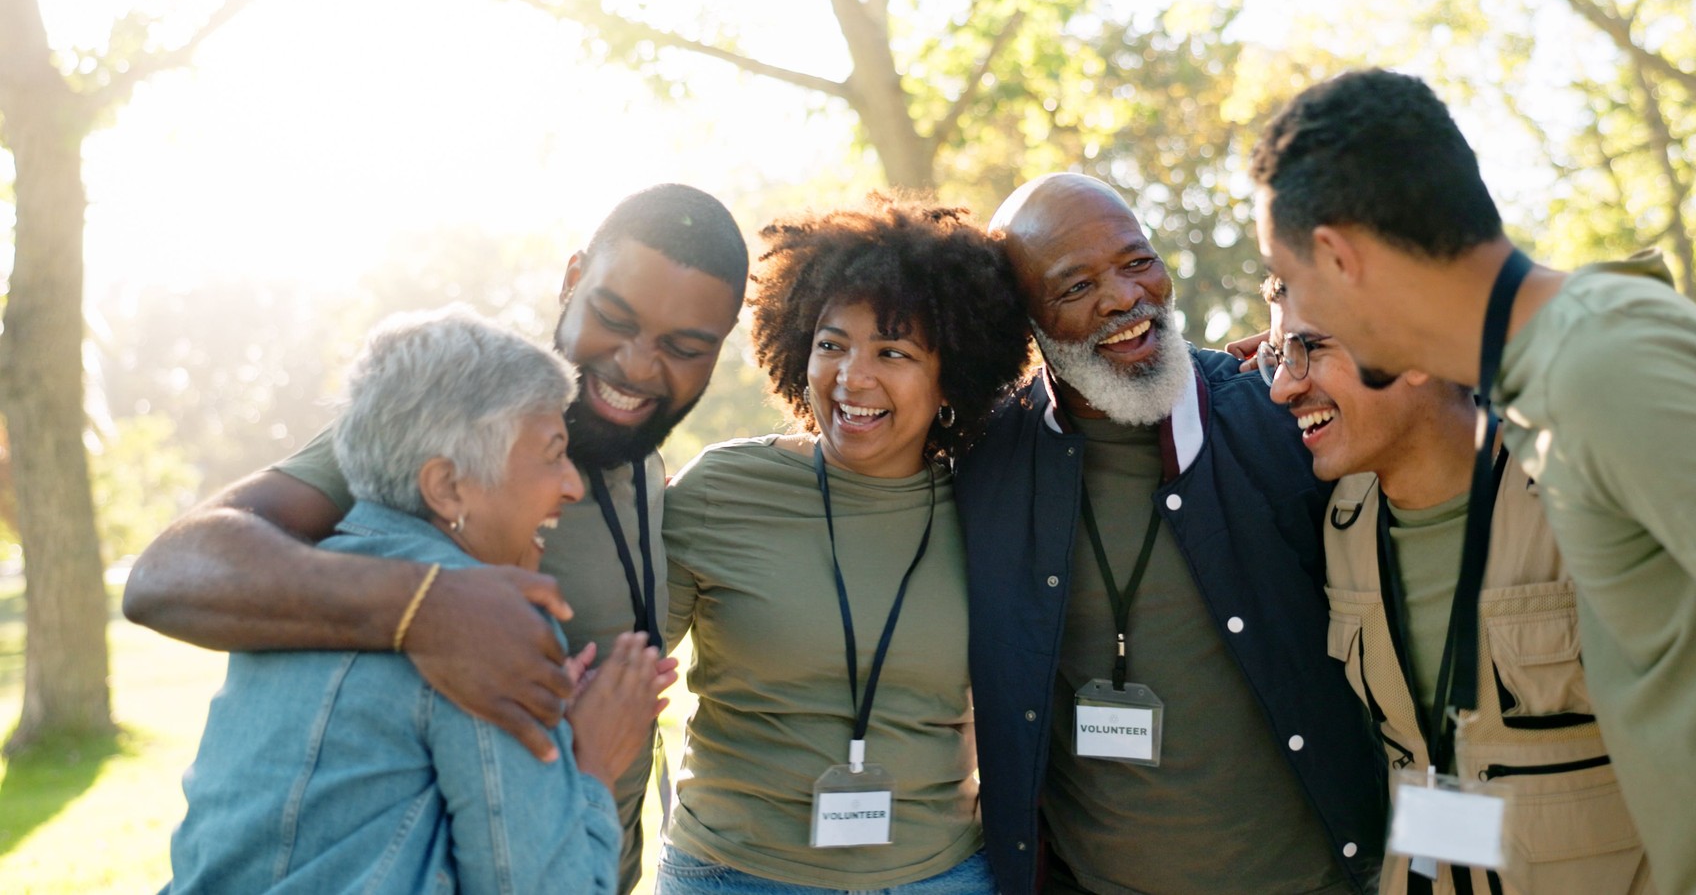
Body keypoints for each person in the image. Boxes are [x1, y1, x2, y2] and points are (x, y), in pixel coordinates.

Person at [1250, 68, 1696, 895]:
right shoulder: (1558, 377)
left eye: (1289, 278)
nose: (1279, 361)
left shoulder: (1604, 370)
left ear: (1340, 255)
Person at [126, 184, 750, 893]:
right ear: (572, 280)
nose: (638, 366)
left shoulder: (646, 467)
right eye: (614, 316)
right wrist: (432, 606)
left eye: (684, 346)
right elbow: (168, 572)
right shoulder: (457, 423)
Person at [958, 172, 1386, 895]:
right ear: (1021, 322)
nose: (1125, 296)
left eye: (1137, 261)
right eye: (1075, 286)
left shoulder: (1278, 421)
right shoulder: (986, 469)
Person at [165, 307, 678, 893]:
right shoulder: (487, 624)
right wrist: (590, 763)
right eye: (552, 452)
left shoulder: (289, 598)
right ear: (446, 485)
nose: (572, 484)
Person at [654, 193, 1031, 893]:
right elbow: (616, 659)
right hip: (734, 875)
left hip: (940, 876)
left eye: (893, 351)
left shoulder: (991, 507)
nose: (852, 377)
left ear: (951, 375)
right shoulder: (722, 488)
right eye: (832, 343)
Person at [1256, 277, 1650, 894]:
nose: (1282, 387)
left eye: (1309, 349)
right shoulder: (1343, 523)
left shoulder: (1588, 493)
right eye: (1278, 358)